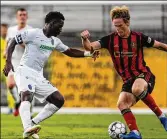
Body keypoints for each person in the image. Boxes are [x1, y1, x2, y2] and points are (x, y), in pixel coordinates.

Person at [80, 5, 167, 139]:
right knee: (121, 104)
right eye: (115, 26)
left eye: (120, 25)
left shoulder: (138, 37)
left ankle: (162, 117)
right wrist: (85, 39)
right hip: (128, 80)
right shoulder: (110, 40)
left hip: (143, 75)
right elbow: (90, 47)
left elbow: (160, 45)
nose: (117, 29)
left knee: (137, 88)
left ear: (127, 22)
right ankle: (135, 133)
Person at [3, 11, 99, 139]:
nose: (60, 30)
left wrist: (89, 54)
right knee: (26, 95)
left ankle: (32, 123)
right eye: (59, 26)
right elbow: (13, 41)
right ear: (50, 23)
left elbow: (70, 51)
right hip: (24, 70)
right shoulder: (33, 33)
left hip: (38, 75)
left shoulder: (55, 41)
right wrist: (8, 62)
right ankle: (27, 128)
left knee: (58, 100)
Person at [4, 8, 34, 117]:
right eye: (20, 14)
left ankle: (29, 112)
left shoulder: (30, 30)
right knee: (11, 84)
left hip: (25, 62)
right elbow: (8, 42)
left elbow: (32, 47)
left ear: (27, 17)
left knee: (27, 89)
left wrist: (20, 42)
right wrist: (5, 51)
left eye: (24, 15)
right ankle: (17, 102)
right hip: (13, 60)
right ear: (17, 17)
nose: (22, 16)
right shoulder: (11, 30)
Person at [1, 23, 15, 114]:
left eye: (5, 29)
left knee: (10, 88)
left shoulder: (10, 41)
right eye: (2, 29)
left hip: (6, 68)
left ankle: (11, 107)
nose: (4, 31)